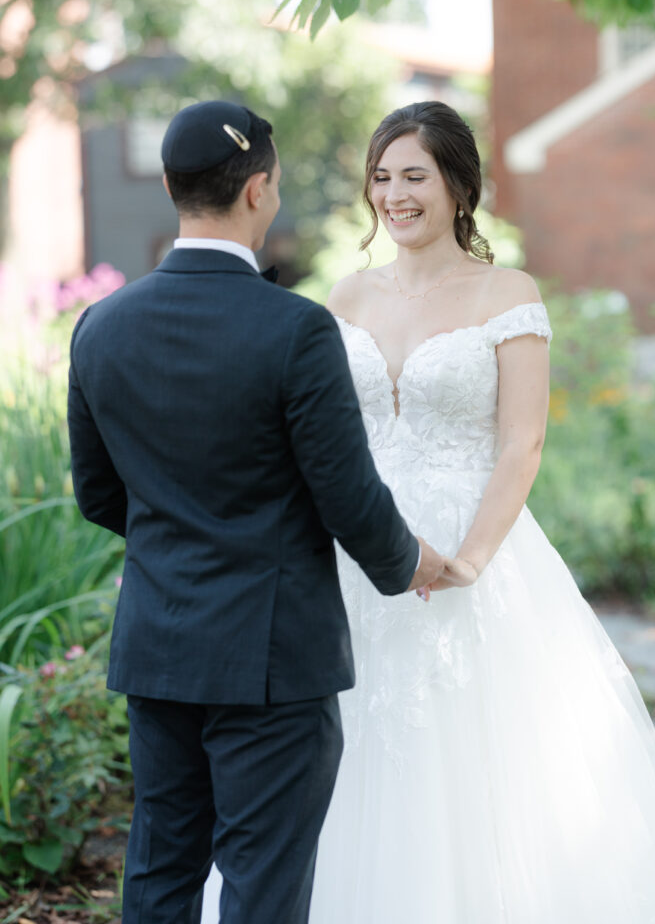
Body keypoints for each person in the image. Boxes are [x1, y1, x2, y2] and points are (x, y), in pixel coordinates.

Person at [67, 99, 456, 924]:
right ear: (259, 191)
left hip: (159, 649)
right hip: (271, 659)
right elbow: (345, 494)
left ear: (172, 186)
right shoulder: (295, 331)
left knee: (161, 868)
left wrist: (181, 544)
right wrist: (408, 562)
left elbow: (100, 494)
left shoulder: (100, 327)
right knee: (261, 885)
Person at [308, 101, 655, 923]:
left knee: (476, 757)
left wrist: (472, 557)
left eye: (414, 175)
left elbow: (522, 443)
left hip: (472, 554)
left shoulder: (504, 292)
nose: (394, 195)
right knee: (353, 745)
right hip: (358, 556)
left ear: (458, 186)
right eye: (381, 176)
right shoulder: (346, 296)